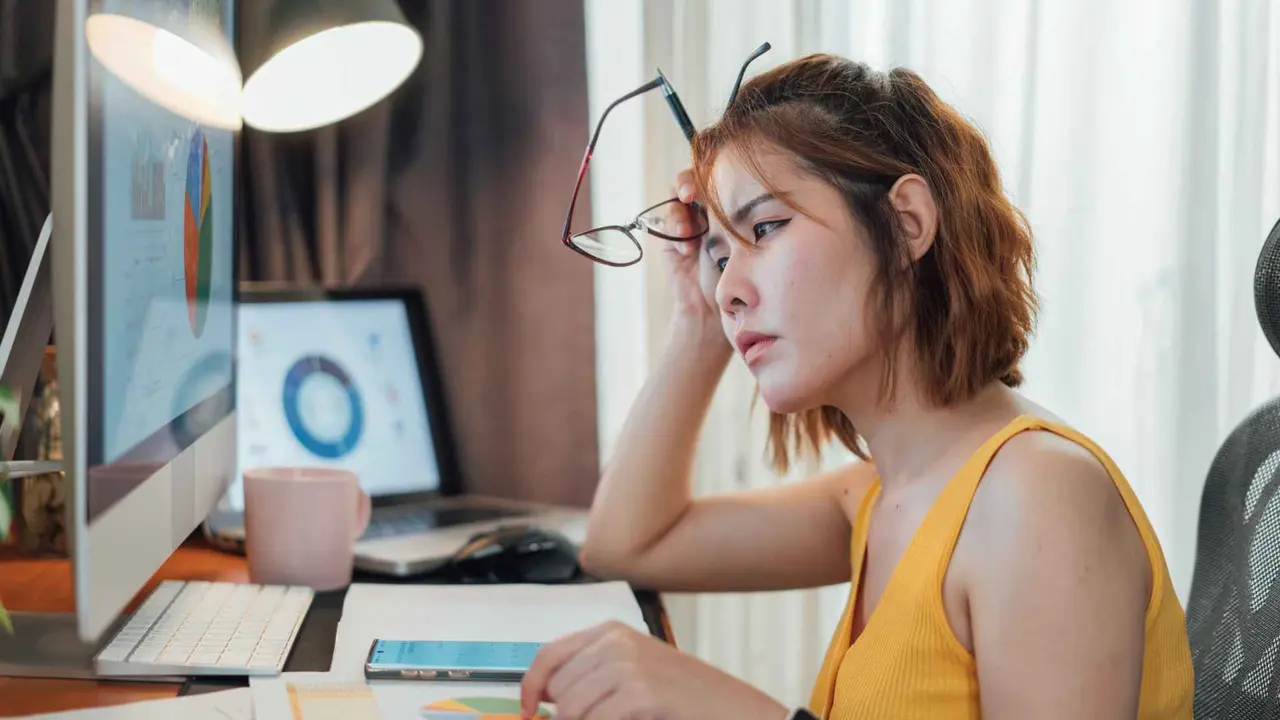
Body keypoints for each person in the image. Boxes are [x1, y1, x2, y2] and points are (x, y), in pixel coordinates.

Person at [520, 53, 1195, 720]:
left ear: (906, 224)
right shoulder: (874, 496)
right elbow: (624, 543)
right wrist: (699, 321)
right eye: (720, 256)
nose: (728, 286)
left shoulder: (1038, 496)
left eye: (765, 228)